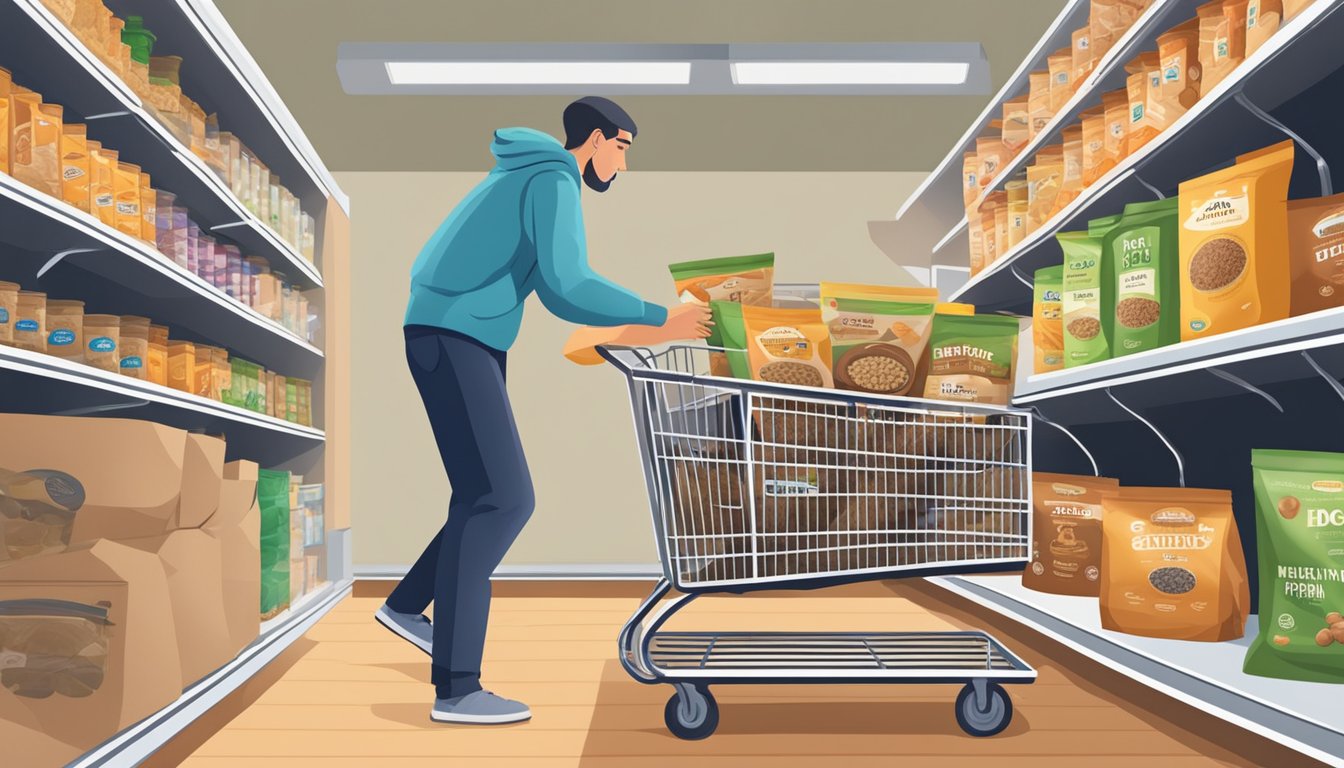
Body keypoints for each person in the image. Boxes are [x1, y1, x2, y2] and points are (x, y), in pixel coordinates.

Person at [376, 96, 711, 725]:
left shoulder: (524, 174)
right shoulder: (553, 177)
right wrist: (661, 316)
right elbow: (568, 285)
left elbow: (556, 290)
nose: (623, 165)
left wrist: (640, 326)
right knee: (505, 500)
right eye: (622, 148)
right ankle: (457, 688)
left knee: (480, 494)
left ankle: (405, 605)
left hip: (454, 335)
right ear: (594, 141)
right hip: (457, 337)